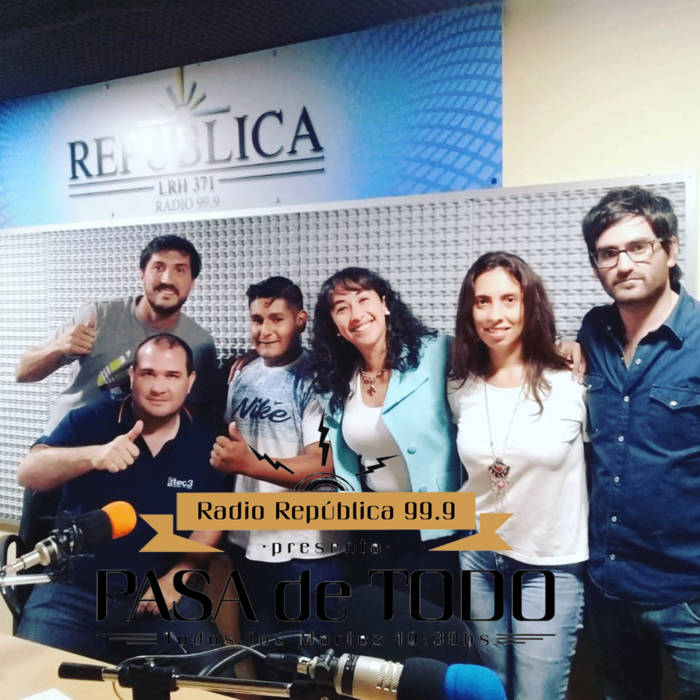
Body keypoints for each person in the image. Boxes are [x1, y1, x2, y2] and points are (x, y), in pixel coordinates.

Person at [16, 334, 227, 664]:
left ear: (190, 381)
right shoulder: (88, 421)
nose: (158, 387)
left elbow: (212, 520)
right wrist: (93, 456)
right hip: (72, 592)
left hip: (156, 594)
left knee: (214, 676)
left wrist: (180, 575)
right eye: (148, 373)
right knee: (31, 675)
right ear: (132, 376)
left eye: (172, 375)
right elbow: (28, 473)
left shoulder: (208, 442)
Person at [448, 252, 588, 700]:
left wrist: (572, 343)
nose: (496, 314)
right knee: (491, 689)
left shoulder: (572, 380)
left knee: (536, 694)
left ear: (530, 304)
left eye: (509, 299)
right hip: (479, 558)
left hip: (549, 562)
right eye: (482, 301)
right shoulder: (460, 385)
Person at [578, 186, 700, 699]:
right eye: (608, 253)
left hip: (688, 594)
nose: (623, 264)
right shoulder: (593, 331)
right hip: (609, 586)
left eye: (638, 247)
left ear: (670, 250)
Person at [210, 276, 350, 651]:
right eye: (257, 320)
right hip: (249, 543)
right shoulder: (242, 374)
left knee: (313, 662)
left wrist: (249, 463)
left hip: (308, 551)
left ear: (300, 320)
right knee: (263, 655)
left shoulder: (320, 379)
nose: (265, 330)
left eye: (277, 319)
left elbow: (321, 469)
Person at [310, 267, 462, 603]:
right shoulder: (336, 379)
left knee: (435, 624)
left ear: (385, 303)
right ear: (334, 325)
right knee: (380, 624)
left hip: (439, 527)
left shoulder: (437, 352)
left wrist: (566, 348)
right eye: (342, 308)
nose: (356, 314)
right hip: (374, 529)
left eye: (363, 299)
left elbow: (501, 355)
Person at [15, 234, 220, 431]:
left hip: (131, 448)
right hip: (68, 440)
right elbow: (22, 372)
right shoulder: (99, 315)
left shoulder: (199, 343)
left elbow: (199, 413)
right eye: (158, 268)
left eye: (180, 270)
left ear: (192, 282)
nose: (167, 279)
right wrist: (58, 347)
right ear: (142, 274)